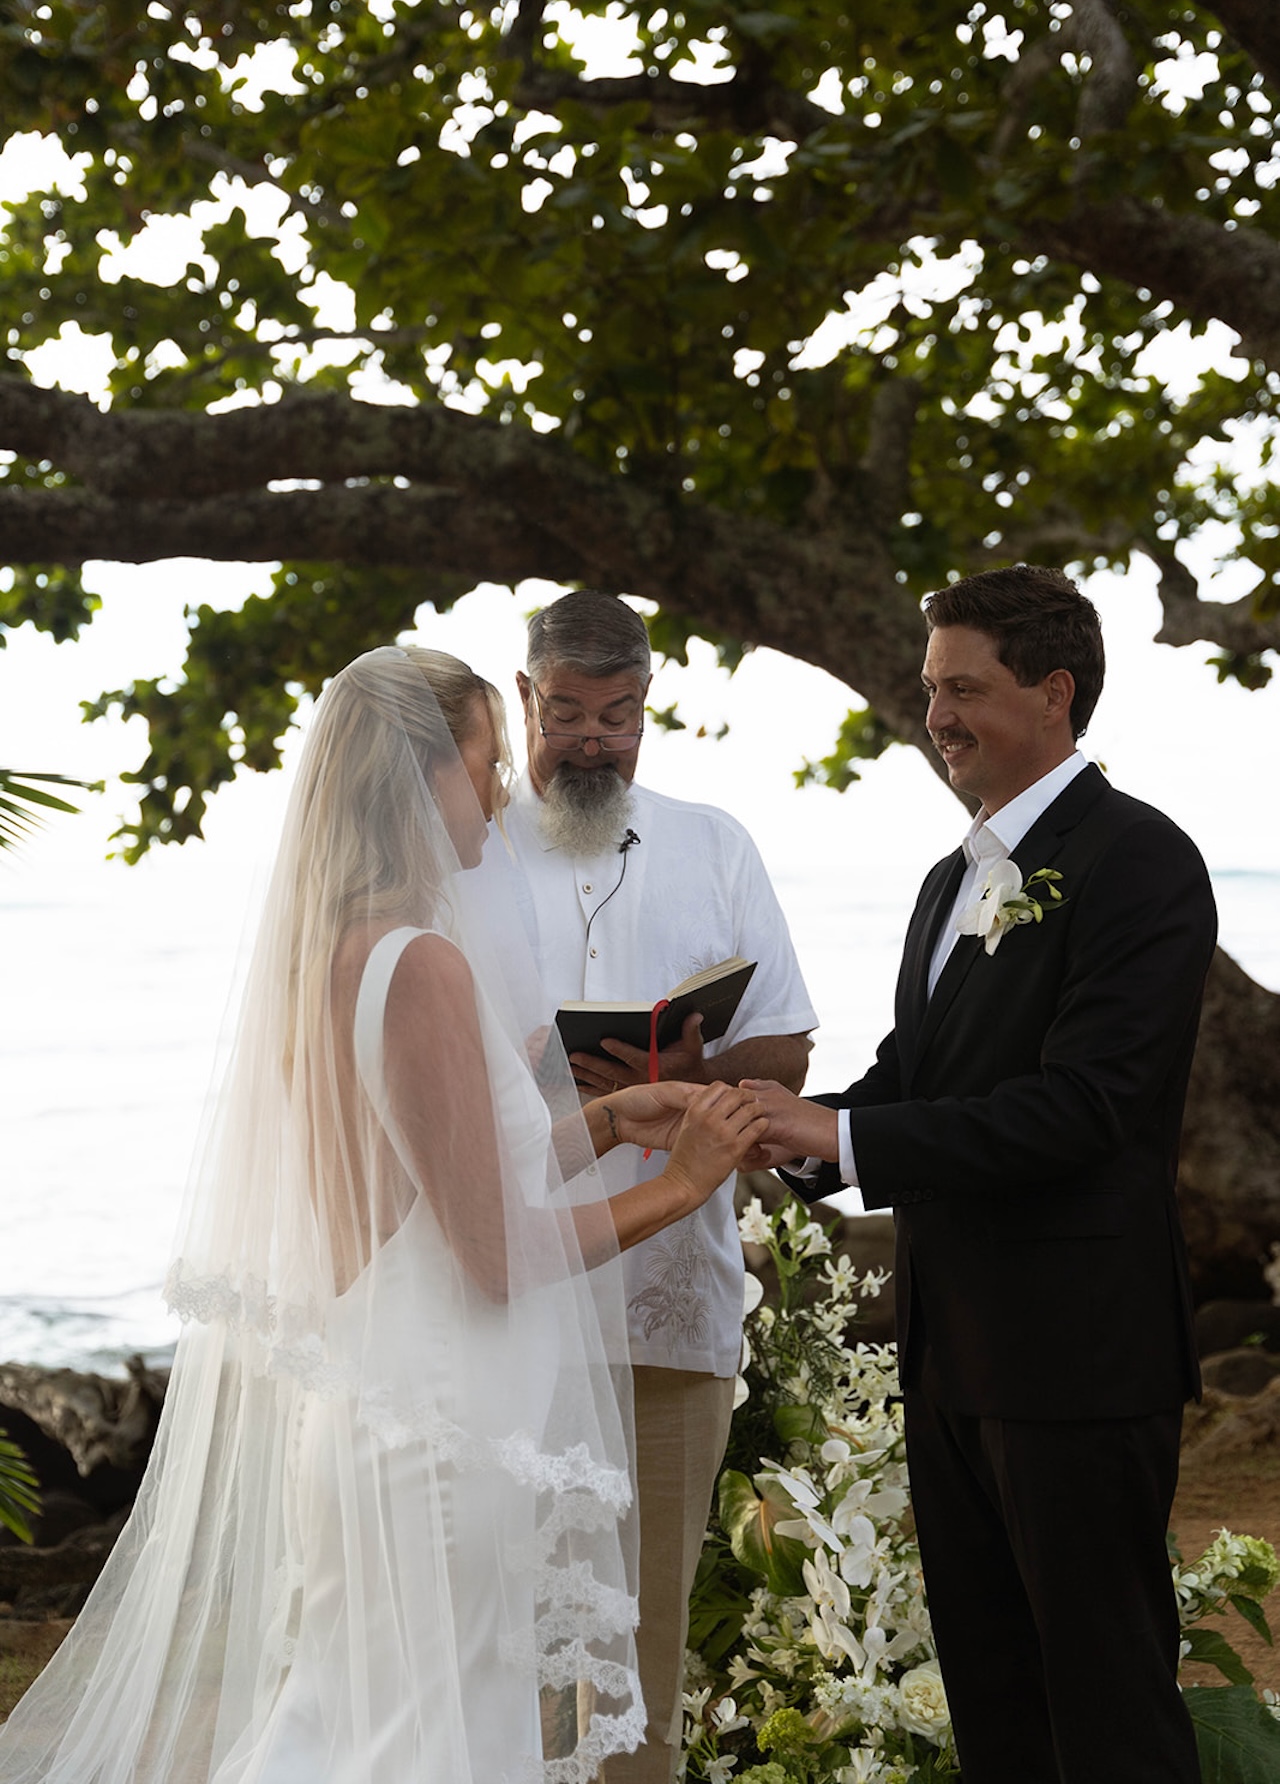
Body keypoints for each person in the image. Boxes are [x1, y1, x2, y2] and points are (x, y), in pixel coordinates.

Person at [0, 645, 768, 1784]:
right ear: (416, 782)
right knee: (426, 1744)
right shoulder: (421, 966)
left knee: (364, 1729)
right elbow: (496, 1254)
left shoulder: (341, 951)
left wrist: (606, 1127)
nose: (502, 793)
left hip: (383, 1402)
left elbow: (431, 1190)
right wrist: (683, 1183)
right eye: (482, 764)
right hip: (446, 1430)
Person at [745, 566, 1215, 1784]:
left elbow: (1087, 1110)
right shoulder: (947, 883)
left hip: (1075, 1354)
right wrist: (764, 1123)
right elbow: (914, 1076)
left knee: (1106, 1702)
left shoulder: (1140, 862)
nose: (934, 714)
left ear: (1052, 694)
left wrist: (842, 1143)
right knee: (994, 1698)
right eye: (926, 690)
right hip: (948, 1347)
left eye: (962, 687)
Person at [494, 591, 817, 1784]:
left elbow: (784, 1052)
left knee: (643, 1652)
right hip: (508, 1299)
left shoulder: (715, 843)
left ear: (647, 710)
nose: (592, 740)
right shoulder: (464, 850)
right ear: (524, 697)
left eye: (618, 716)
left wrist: (688, 1071)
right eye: (567, 712)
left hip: (671, 1304)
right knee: (511, 1646)